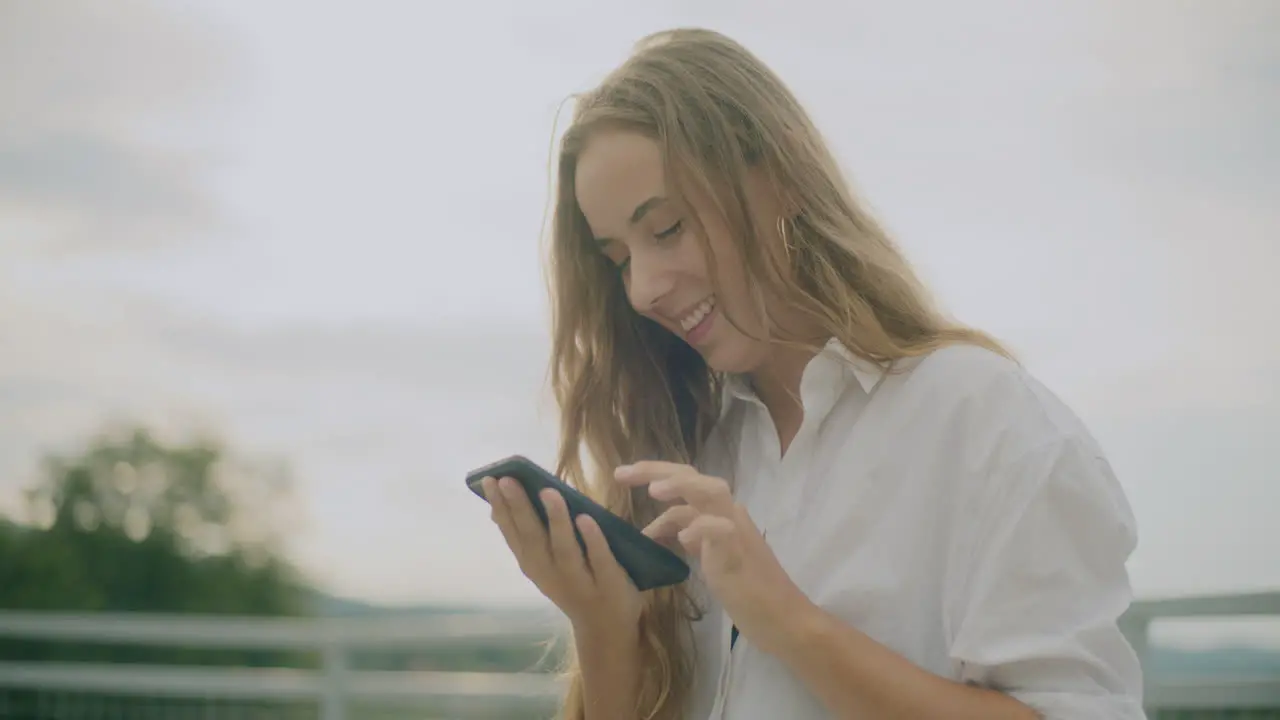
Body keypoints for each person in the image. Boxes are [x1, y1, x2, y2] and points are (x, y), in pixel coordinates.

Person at [478, 27, 1146, 720]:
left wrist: (789, 623)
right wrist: (605, 630)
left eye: (668, 228)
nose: (642, 288)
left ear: (783, 178)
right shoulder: (691, 449)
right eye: (618, 259)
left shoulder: (984, 420)